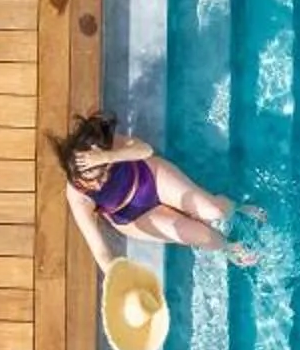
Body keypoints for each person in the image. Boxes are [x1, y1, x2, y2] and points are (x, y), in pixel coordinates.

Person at [53, 114, 262, 267]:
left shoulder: (105, 148)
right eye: (92, 182)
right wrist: (115, 277)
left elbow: (145, 151)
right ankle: (228, 246)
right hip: (133, 216)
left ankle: (237, 207)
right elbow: (98, 248)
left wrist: (108, 157)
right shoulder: (77, 196)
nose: (99, 184)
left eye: (103, 174)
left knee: (215, 211)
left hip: (148, 177)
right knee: (204, 236)